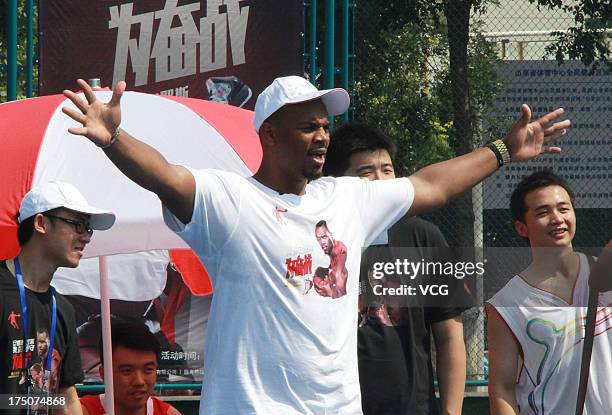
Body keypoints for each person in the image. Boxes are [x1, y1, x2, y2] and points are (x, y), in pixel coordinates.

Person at [62, 75, 569, 414]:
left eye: (326, 126)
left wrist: (504, 150)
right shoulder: (231, 199)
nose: (323, 136)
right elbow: (166, 177)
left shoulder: (348, 198)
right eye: (308, 126)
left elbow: (432, 184)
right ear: (270, 135)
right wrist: (113, 139)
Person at [324, 122, 474, 415]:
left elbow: (449, 336)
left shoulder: (423, 237)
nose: (383, 181)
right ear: (335, 181)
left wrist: (451, 412)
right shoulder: (322, 240)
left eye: (388, 170)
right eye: (366, 173)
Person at [486, 171, 612, 414]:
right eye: (543, 212)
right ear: (522, 227)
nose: (557, 219)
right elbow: (502, 388)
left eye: (564, 209)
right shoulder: (506, 304)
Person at [0, 181, 115, 415]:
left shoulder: (61, 308)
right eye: (77, 225)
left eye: (88, 228)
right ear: (41, 223)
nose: (86, 237)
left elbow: (66, 394)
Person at [79, 322, 181, 415]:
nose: (139, 381)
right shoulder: (80, 411)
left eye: (148, 369)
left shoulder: (168, 413)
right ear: (104, 373)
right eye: (127, 371)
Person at [314, 220, 349, 298]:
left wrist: (327, 289)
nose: (322, 242)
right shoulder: (331, 252)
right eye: (318, 239)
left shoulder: (340, 249)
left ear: (331, 235)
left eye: (324, 237)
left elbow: (338, 274)